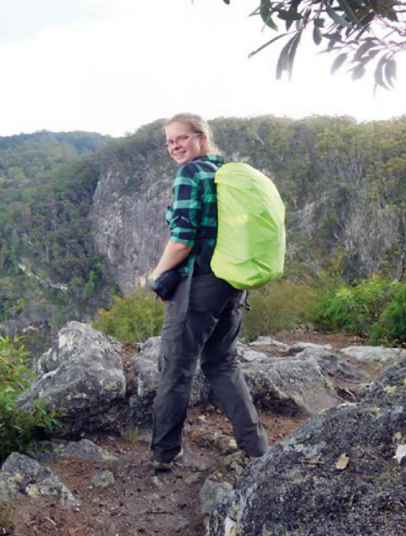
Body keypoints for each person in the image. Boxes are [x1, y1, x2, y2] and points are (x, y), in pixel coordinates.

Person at [149, 113, 269, 472]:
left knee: (176, 368)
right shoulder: (226, 172)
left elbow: (183, 239)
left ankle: (165, 454)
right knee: (222, 363)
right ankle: (256, 447)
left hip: (198, 285)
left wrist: (157, 275)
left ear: (201, 138)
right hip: (232, 283)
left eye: (181, 139)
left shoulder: (191, 174)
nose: (174, 147)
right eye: (170, 142)